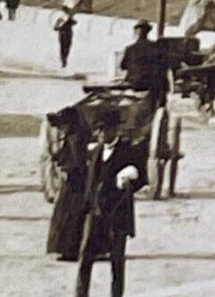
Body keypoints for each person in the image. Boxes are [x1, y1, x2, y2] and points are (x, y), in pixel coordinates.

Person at [74, 106, 146, 297]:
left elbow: (142, 178)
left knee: (116, 262)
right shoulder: (95, 151)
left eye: (103, 129)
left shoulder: (128, 152)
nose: (99, 134)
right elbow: (89, 184)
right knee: (85, 257)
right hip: (95, 213)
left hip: (116, 215)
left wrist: (128, 180)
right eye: (98, 130)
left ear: (115, 130)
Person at [45, 108, 88, 262]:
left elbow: (78, 162)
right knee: (69, 217)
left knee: (70, 217)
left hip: (74, 184)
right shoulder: (74, 136)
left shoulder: (74, 138)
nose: (60, 128)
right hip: (74, 182)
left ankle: (69, 250)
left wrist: (65, 167)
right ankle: (68, 249)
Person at [119, 20, 166, 108]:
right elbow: (162, 66)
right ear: (148, 32)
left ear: (136, 32)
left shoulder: (130, 49)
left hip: (134, 85)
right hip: (151, 85)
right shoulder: (156, 47)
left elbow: (123, 66)